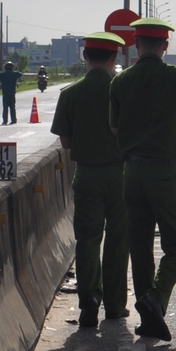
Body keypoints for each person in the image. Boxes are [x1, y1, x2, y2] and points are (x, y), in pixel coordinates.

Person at [109, 16, 176, 341]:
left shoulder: (120, 82)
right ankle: (157, 298)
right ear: (165, 46)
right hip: (164, 171)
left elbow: (114, 129)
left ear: (136, 45)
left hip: (131, 172)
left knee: (139, 244)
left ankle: (148, 316)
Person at [51, 34, 129, 329]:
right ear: (114, 59)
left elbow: (66, 141)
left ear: (85, 57)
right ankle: (115, 304)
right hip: (121, 175)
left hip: (86, 175)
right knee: (119, 239)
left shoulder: (70, 94)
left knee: (87, 240)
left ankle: (89, 302)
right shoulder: (123, 91)